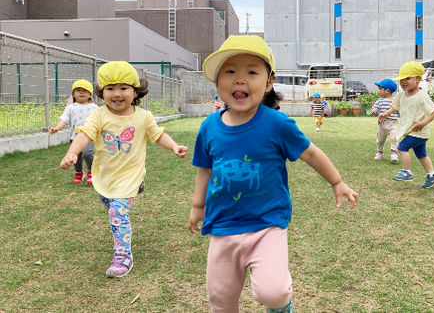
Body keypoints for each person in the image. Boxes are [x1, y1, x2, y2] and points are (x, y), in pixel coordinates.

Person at [187, 35, 358, 313]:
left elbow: (311, 153)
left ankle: (281, 307)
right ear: (217, 82)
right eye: (230, 71)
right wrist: (197, 206)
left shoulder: (277, 124)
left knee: (274, 292)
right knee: (220, 298)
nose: (240, 80)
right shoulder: (209, 127)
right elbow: (205, 168)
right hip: (223, 226)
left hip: (267, 224)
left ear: (268, 83)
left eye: (251, 72)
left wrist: (337, 182)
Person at [58, 61, 188, 278]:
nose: (116, 94)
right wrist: (72, 153)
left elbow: (158, 135)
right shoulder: (99, 115)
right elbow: (84, 135)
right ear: (101, 92)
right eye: (110, 88)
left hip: (130, 174)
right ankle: (135, 188)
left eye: (123, 88)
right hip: (105, 175)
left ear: (136, 91)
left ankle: (122, 255)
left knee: (117, 213)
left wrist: (174, 145)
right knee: (108, 204)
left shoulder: (143, 117)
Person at [378, 61, 434, 188]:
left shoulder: (421, 96)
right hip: (411, 131)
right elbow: (395, 107)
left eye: (407, 78)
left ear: (418, 79)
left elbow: (433, 111)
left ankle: (406, 172)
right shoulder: (402, 95)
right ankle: (432, 175)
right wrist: (386, 113)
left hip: (418, 132)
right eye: (401, 79)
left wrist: (422, 123)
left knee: (401, 147)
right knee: (421, 154)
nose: (403, 82)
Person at [50, 79, 98, 184]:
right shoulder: (70, 108)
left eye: (84, 90)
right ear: (73, 94)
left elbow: (100, 120)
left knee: (88, 154)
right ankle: (79, 173)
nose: (81, 92)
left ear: (90, 95)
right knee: (76, 158)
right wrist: (57, 128)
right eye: (78, 90)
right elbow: (64, 119)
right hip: (74, 137)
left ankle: (91, 172)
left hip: (89, 137)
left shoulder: (94, 108)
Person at [370, 79, 399, 162]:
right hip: (382, 124)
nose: (379, 91)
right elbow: (375, 107)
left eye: (380, 89)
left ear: (387, 91)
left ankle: (394, 154)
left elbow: (399, 110)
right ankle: (379, 152)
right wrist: (374, 110)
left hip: (393, 123)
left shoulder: (395, 101)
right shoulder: (380, 100)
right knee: (380, 139)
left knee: (394, 138)